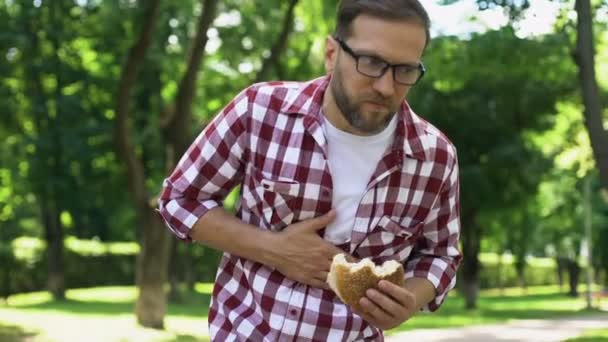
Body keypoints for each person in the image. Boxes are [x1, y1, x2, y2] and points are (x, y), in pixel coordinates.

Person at [158, 0, 462, 340]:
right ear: (332, 53)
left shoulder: (435, 156)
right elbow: (179, 199)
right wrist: (271, 248)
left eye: (405, 70)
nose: (386, 87)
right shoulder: (259, 111)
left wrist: (409, 301)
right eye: (371, 63)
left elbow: (441, 254)